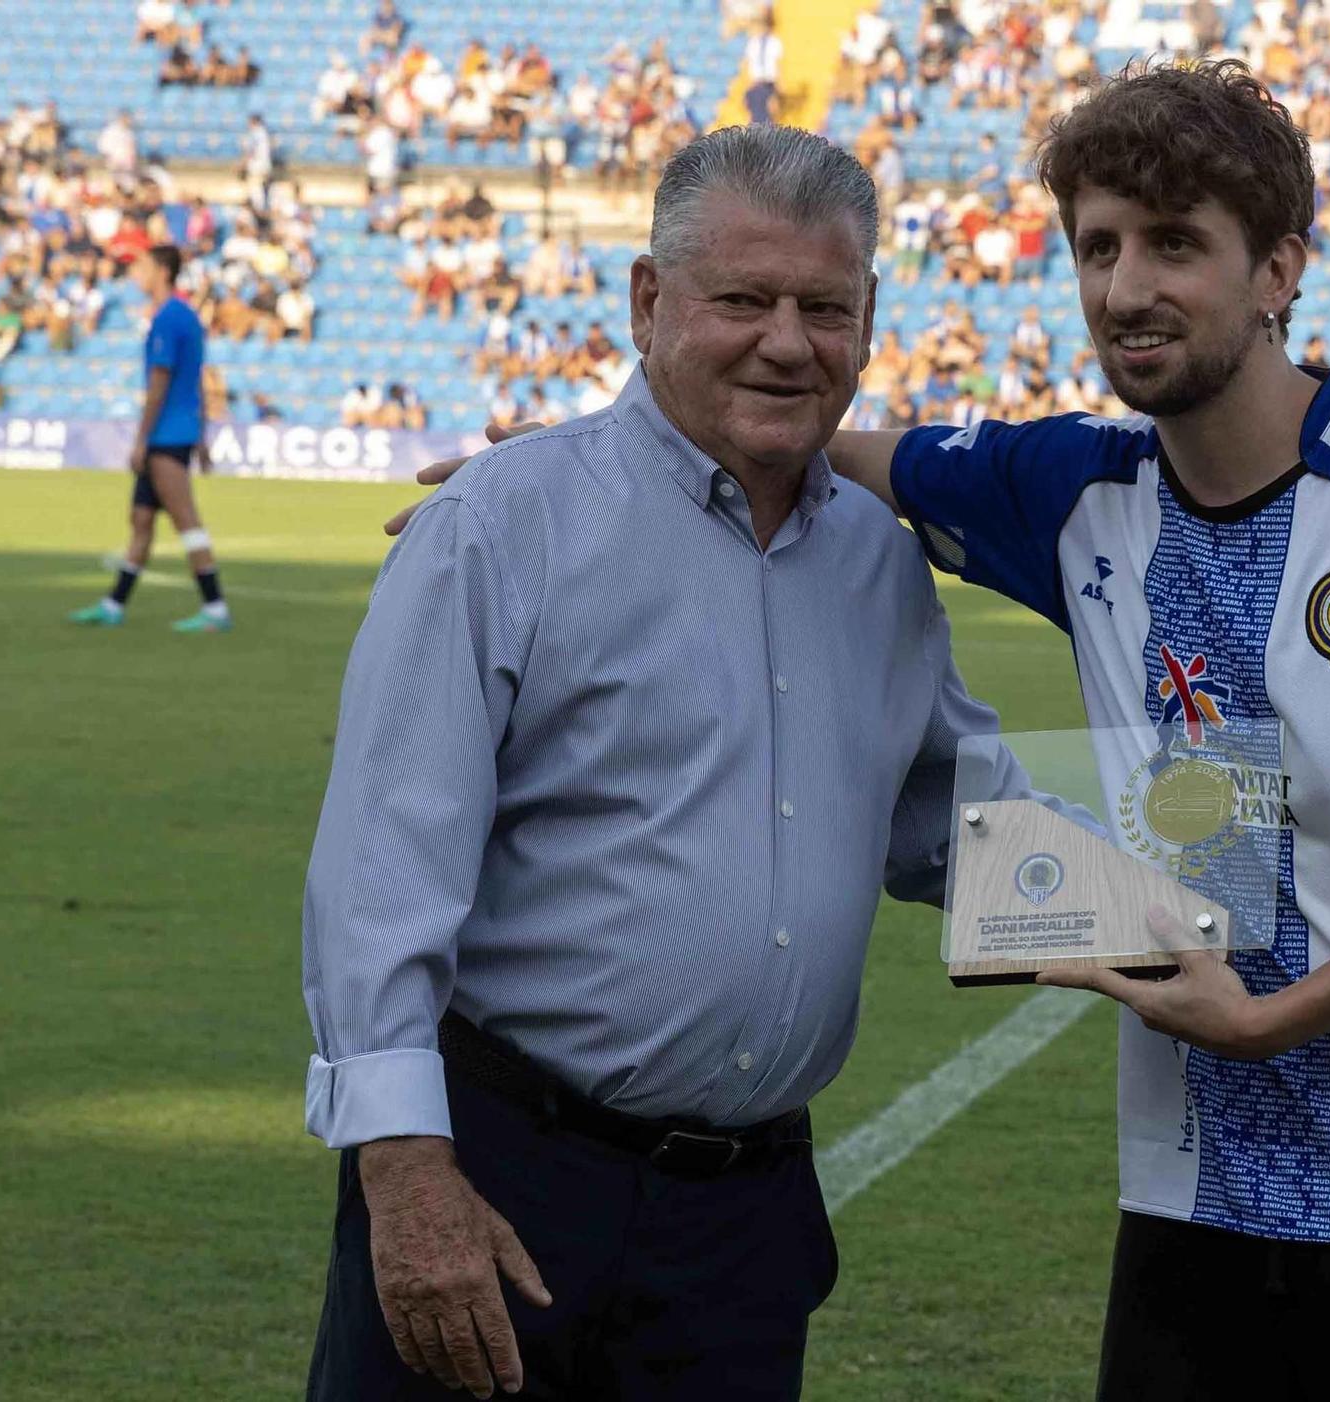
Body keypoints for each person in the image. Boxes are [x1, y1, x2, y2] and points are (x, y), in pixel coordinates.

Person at [399, 64, 1330, 1401]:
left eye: (1178, 244)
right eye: (1099, 246)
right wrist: (558, 472)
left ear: (1279, 270)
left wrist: (1276, 1017)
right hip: (1193, 1194)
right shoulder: (1075, 489)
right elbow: (832, 443)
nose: (1128, 285)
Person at [304, 125, 1024, 1401]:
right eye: (741, 299)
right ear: (648, 300)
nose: (787, 341)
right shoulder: (504, 523)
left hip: (743, 1231)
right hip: (502, 1179)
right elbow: (380, 876)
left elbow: (956, 827)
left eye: (824, 306)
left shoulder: (875, 559)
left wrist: (1208, 890)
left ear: (869, 317)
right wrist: (405, 1171)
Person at [70, 245, 231, 633]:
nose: (136, 275)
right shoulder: (185, 316)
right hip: (178, 430)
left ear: (162, 270)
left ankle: (215, 609)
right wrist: (203, 435)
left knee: (186, 520)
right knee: (141, 519)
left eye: (141, 266)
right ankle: (114, 604)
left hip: (166, 435)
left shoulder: (168, 318)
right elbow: (194, 378)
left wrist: (141, 440)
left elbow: (160, 382)